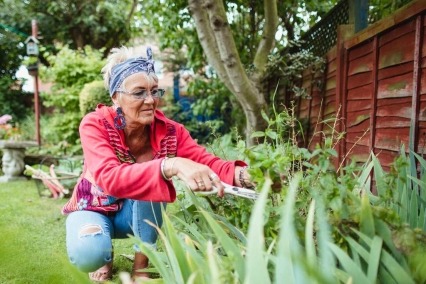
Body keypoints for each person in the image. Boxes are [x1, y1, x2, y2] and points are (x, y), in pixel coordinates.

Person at [61, 46, 253, 282]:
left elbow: (206, 161)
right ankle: (104, 254)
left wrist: (246, 175)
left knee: (153, 184)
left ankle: (141, 268)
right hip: (92, 209)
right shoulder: (95, 124)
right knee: (90, 254)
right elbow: (109, 177)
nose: (150, 100)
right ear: (115, 96)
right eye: (139, 92)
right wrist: (170, 165)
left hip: (131, 217)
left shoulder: (171, 131)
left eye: (154, 91)